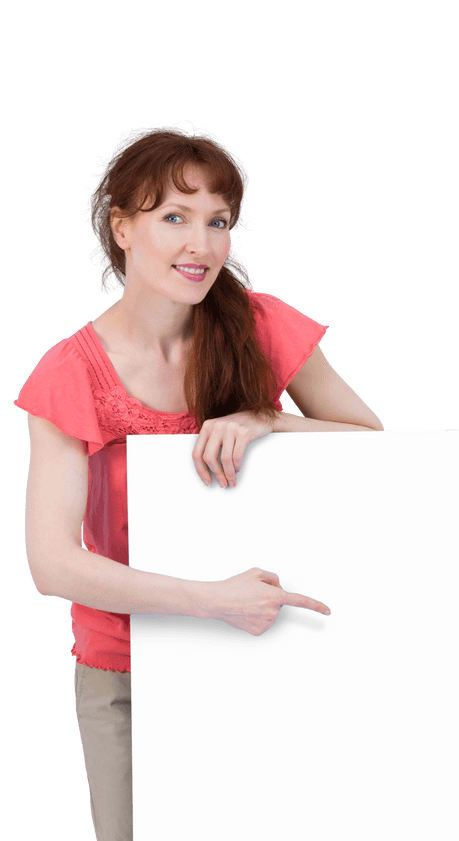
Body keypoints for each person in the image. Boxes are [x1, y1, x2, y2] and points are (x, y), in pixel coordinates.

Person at [16, 120, 384, 841]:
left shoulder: (260, 325)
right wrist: (210, 601)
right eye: (174, 218)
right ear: (121, 227)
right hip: (127, 678)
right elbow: (50, 562)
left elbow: (369, 445)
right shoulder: (70, 372)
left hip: (279, 651)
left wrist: (264, 421)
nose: (202, 244)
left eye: (218, 221)